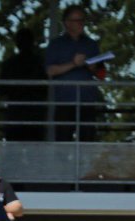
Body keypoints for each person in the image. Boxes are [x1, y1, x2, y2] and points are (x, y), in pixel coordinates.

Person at [46, 4, 103, 142]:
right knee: (63, 142)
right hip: (65, 101)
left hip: (87, 101)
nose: (81, 24)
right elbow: (50, 71)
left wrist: (93, 67)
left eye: (83, 20)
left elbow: (102, 74)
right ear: (67, 23)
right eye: (77, 20)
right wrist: (74, 63)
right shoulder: (56, 44)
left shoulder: (91, 44)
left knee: (88, 142)